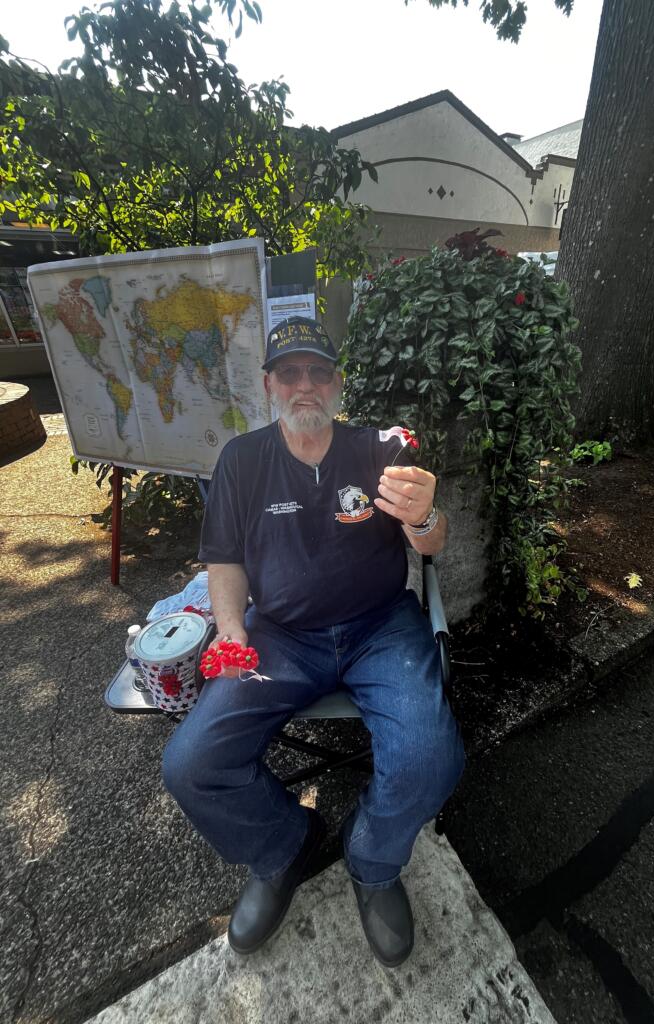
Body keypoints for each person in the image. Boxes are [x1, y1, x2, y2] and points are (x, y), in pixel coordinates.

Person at [162, 316, 464, 968]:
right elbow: (224, 562)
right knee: (192, 765)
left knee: (431, 760)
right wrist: (234, 631)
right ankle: (282, 848)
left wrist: (428, 516)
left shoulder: (379, 449)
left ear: (337, 382)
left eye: (318, 371)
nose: (305, 385)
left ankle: (374, 862)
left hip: (381, 628)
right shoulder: (241, 460)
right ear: (270, 384)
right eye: (290, 372)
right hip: (281, 637)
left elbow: (432, 544)